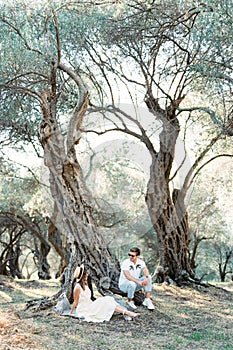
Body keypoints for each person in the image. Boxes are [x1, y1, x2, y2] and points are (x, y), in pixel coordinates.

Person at [70, 264, 140, 322]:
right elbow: (75, 302)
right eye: (86, 274)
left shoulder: (85, 284)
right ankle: (128, 313)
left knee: (108, 299)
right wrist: (71, 312)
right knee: (107, 301)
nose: (87, 275)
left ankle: (127, 312)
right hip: (85, 309)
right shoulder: (77, 287)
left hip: (90, 304)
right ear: (83, 275)